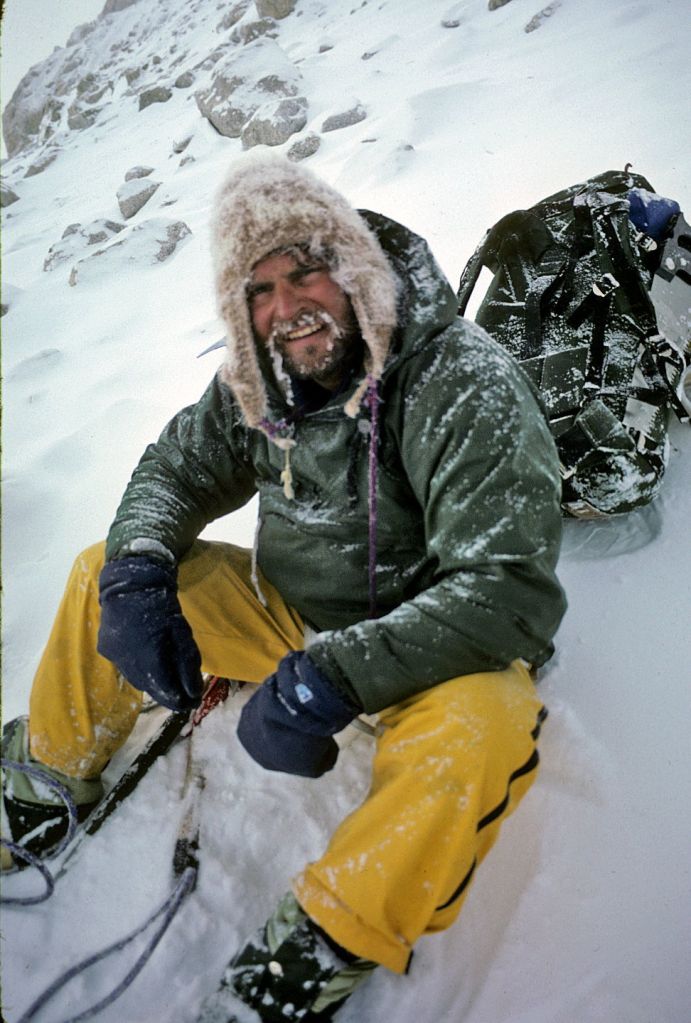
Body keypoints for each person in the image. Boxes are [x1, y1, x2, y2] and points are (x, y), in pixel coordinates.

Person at [2, 155, 567, 1022]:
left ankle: (321, 942)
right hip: (287, 620)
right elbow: (175, 468)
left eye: (306, 270)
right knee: (98, 568)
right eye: (258, 287)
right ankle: (44, 782)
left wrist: (336, 676)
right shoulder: (258, 373)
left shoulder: (461, 381)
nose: (286, 303)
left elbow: (506, 593)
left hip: (434, 651)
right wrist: (141, 569)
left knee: (482, 729)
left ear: (353, 266)